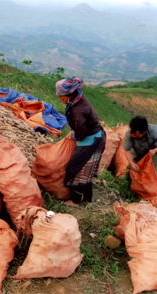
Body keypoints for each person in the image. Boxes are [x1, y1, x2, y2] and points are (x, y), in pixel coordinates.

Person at [56, 77, 106, 207]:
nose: (61, 100)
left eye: (62, 98)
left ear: (70, 95)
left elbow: (81, 131)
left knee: (79, 168)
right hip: (92, 135)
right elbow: (80, 125)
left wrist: (75, 136)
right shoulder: (77, 101)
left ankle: (75, 200)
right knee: (85, 167)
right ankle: (86, 197)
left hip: (92, 139)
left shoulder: (78, 109)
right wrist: (74, 131)